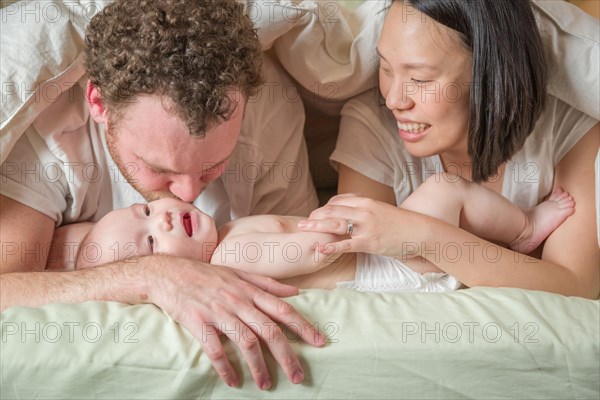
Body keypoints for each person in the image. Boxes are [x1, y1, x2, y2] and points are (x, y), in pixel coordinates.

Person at [0, 0, 321, 390]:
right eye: (160, 169)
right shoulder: (50, 139)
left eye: (212, 166)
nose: (188, 193)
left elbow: (307, 271)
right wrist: (152, 277)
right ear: (99, 105)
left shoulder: (267, 114)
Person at [298, 0, 599, 299]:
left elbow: (575, 285)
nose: (394, 100)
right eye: (386, 68)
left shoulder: (568, 130)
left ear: (490, 74)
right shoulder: (372, 125)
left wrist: (424, 237)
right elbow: (360, 270)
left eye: (420, 79)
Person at [52, 174, 574, 294]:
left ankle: (510, 237)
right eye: (149, 241)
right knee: (442, 189)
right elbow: (312, 251)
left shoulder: (230, 228)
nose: (160, 218)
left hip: (385, 251)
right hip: (388, 267)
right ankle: (526, 228)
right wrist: (338, 222)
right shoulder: (233, 254)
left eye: (144, 209)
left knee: (443, 198)